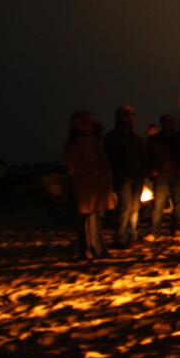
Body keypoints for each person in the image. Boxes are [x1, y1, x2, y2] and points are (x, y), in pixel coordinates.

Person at [65, 111, 112, 259]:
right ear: (80, 125)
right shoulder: (81, 143)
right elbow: (83, 164)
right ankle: (94, 249)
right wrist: (98, 174)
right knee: (90, 219)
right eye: (88, 122)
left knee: (91, 218)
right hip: (88, 185)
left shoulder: (87, 141)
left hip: (91, 186)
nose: (91, 124)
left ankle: (91, 249)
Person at [104, 105, 147, 248]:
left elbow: (142, 155)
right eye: (126, 116)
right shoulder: (112, 137)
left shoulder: (136, 137)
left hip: (137, 175)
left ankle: (132, 235)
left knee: (134, 207)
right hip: (123, 176)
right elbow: (110, 158)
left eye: (131, 115)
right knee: (125, 207)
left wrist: (143, 172)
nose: (130, 118)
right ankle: (120, 237)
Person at [147, 114, 180, 241]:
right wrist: (152, 169)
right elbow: (149, 156)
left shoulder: (178, 138)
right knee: (159, 203)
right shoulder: (155, 140)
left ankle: (176, 228)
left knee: (177, 203)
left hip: (175, 172)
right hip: (162, 173)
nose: (168, 124)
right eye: (166, 122)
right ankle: (155, 230)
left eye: (170, 122)